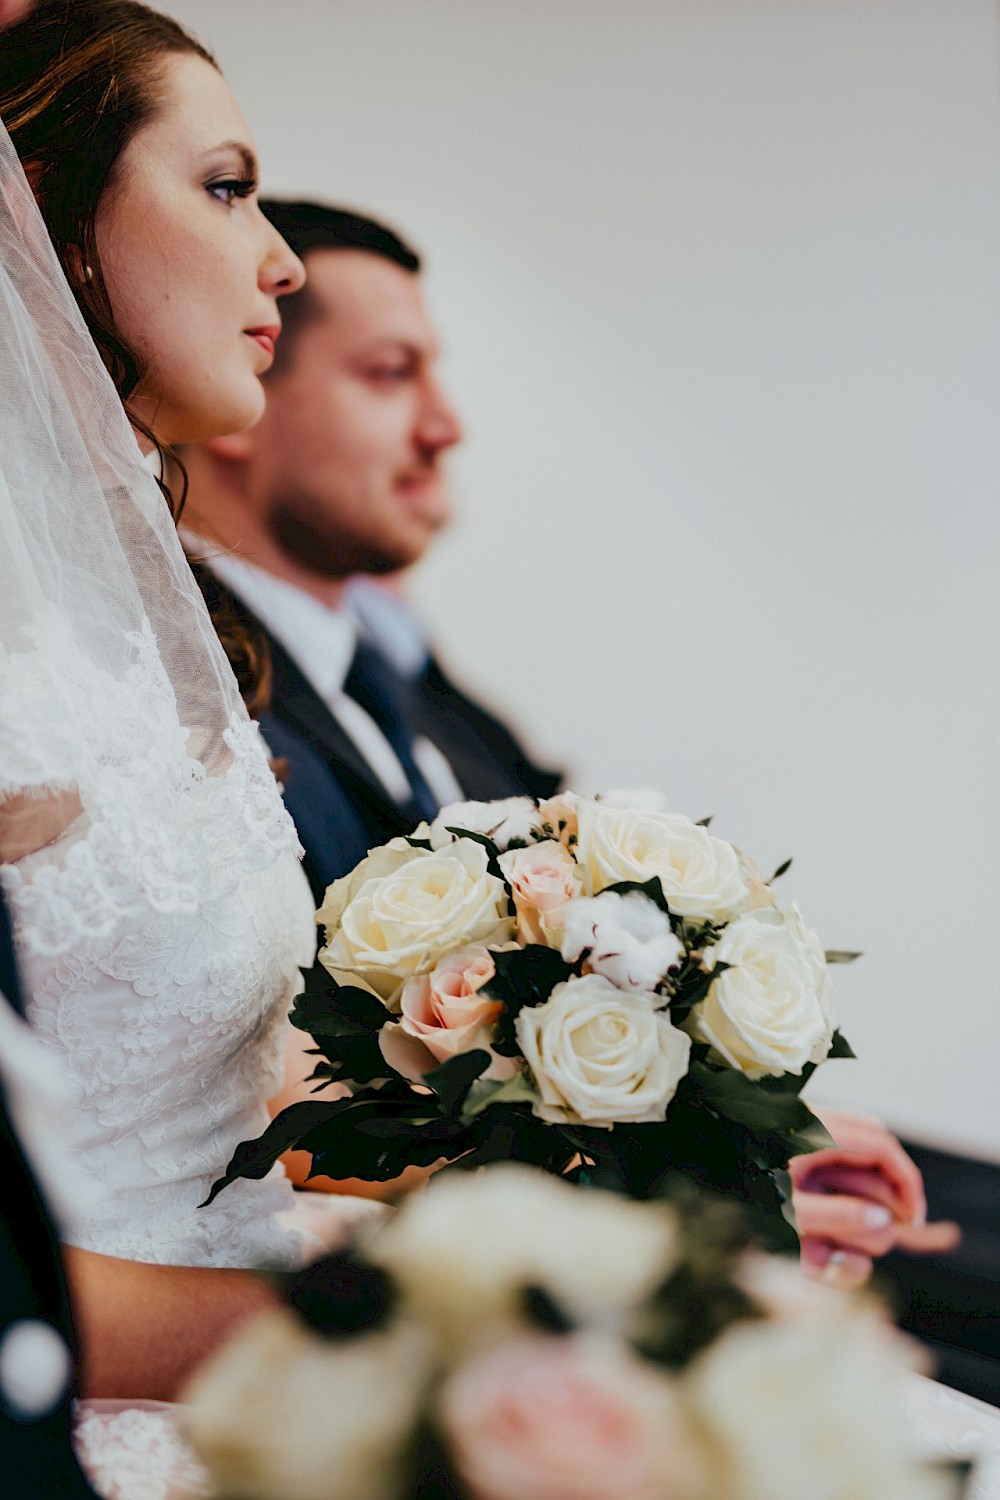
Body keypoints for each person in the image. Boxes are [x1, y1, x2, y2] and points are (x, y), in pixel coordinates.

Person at [0, 0, 377, 1407]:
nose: (279, 259)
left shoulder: (145, 633)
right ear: (54, 218)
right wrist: (392, 1336)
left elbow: (252, 1094)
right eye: (224, 189)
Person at [181, 200, 561, 904]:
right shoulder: (176, 700)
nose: (446, 427)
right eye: (390, 372)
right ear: (243, 396)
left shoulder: (393, 678)